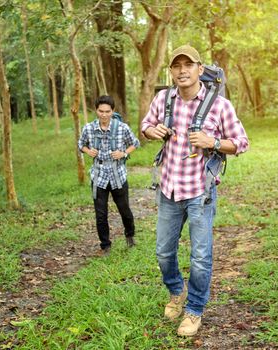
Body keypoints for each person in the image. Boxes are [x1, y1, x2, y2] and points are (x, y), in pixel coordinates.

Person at [140, 44, 249, 336]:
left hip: (201, 192)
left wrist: (212, 142)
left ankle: (194, 310)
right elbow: (145, 125)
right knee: (164, 252)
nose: (182, 70)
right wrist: (152, 131)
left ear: (200, 69)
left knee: (200, 256)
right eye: (177, 65)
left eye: (189, 65)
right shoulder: (164, 99)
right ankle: (176, 291)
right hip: (168, 190)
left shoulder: (219, 105)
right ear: (172, 71)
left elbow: (241, 142)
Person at [78, 95, 140, 255]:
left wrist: (124, 153)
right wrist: (87, 150)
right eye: (101, 111)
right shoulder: (88, 128)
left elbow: (135, 143)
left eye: (107, 111)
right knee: (100, 213)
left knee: (124, 210)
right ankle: (105, 245)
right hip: (98, 176)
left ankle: (130, 236)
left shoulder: (122, 128)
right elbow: (80, 144)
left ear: (112, 111)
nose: (104, 115)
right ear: (96, 110)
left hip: (118, 175)